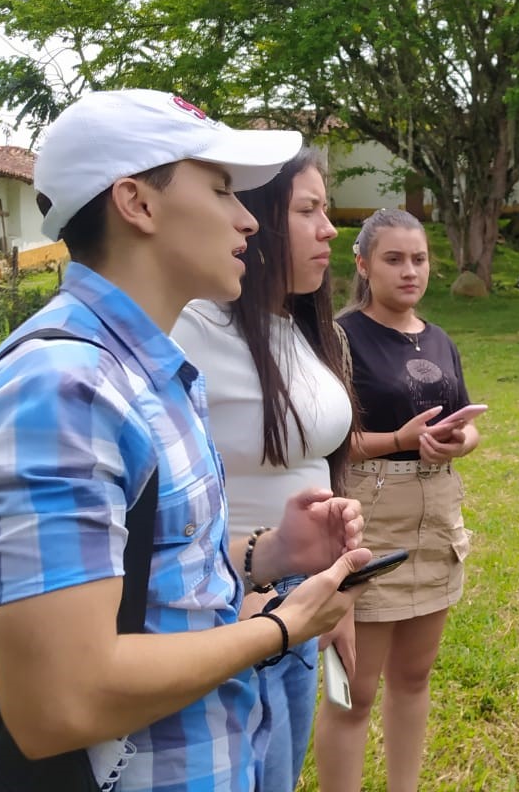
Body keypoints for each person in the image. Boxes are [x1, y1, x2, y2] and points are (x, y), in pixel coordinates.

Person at [0, 89, 374, 792]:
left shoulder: (145, 374)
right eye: (222, 189)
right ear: (138, 204)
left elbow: (152, 582)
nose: (245, 220)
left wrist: (271, 551)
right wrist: (282, 628)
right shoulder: (62, 391)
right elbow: (60, 700)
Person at [171, 147, 356, 792]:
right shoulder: (190, 328)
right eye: (308, 210)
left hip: (299, 590)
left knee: (279, 771)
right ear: (256, 221)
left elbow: (320, 463)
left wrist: (335, 591)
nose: (329, 229)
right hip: (226, 602)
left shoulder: (305, 328)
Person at [315, 208, 480, 792]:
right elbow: (325, 441)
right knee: (350, 691)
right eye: (393, 259)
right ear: (362, 264)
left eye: (419, 258)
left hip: (436, 516)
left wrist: (458, 440)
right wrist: (400, 441)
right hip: (367, 514)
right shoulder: (337, 336)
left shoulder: (438, 338)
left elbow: (466, 419)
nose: (410, 271)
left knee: (414, 675)